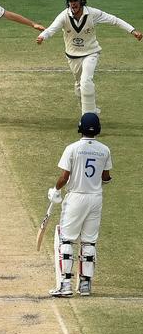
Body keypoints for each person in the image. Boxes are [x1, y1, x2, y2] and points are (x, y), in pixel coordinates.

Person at [36, 0, 142, 115]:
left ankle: (89, 115)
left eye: (75, 0)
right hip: (72, 55)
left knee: (86, 80)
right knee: (79, 85)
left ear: (82, 1)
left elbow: (114, 20)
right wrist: (43, 36)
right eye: (70, 1)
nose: (73, 4)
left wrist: (132, 30)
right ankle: (88, 111)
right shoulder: (64, 15)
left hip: (91, 52)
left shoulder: (93, 13)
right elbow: (52, 28)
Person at [47, 113, 112, 297]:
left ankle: (65, 285)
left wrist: (56, 189)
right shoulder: (104, 150)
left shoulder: (72, 149)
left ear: (80, 127)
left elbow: (64, 177)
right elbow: (105, 177)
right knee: (89, 241)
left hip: (76, 197)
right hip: (95, 198)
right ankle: (85, 285)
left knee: (67, 240)